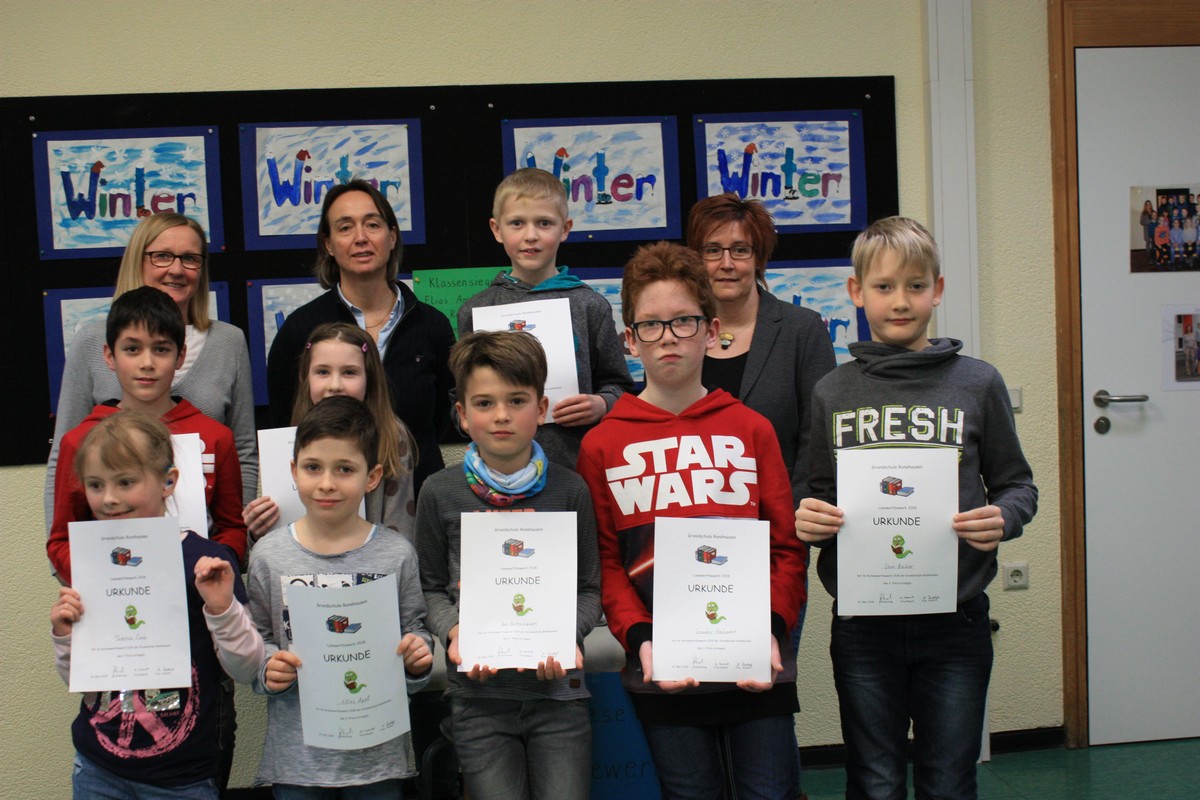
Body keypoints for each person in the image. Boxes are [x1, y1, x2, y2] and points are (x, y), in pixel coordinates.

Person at [795, 216, 1038, 800]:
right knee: (875, 781)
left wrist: (1004, 518)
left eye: (915, 285)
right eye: (883, 286)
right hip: (863, 625)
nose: (900, 301)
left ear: (938, 290)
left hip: (955, 621)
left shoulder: (977, 383)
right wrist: (811, 520)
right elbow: (815, 492)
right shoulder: (833, 391)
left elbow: (1018, 485)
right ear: (856, 292)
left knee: (949, 781)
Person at [576, 242, 807, 800]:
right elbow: (607, 562)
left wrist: (771, 628)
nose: (669, 338)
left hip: (755, 662)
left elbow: (786, 547)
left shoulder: (751, 430)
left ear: (712, 331)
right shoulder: (602, 445)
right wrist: (641, 637)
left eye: (683, 321)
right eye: (651, 325)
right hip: (663, 668)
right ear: (630, 339)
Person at [687, 193, 835, 796]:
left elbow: (816, 437)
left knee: (765, 695)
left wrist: (785, 520)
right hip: (692, 548)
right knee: (700, 692)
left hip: (773, 546)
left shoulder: (800, 329)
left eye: (740, 250)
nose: (726, 263)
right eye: (712, 250)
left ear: (760, 257)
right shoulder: (682, 330)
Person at [416, 330, 601, 800]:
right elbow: (429, 587)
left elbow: (589, 589)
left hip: (558, 695)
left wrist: (565, 634)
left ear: (541, 409)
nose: (501, 415)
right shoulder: (439, 492)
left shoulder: (570, 490)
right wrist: (456, 632)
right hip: (478, 700)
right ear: (462, 415)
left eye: (517, 400)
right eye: (484, 403)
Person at [50, 411, 263, 799]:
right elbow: (81, 681)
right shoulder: (93, 561)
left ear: (168, 481)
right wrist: (65, 636)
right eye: (95, 484)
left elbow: (247, 667)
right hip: (97, 768)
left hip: (183, 778)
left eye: (125, 482)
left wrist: (222, 609)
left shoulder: (208, 562)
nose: (109, 498)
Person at [248, 396, 433, 796]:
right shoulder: (268, 555)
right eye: (313, 467)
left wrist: (418, 657)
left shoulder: (397, 554)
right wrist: (267, 668)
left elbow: (416, 632)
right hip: (297, 761)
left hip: (378, 759)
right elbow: (256, 640)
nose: (327, 483)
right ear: (294, 471)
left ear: (372, 476)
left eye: (345, 469)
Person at [45, 212, 257, 541]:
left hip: (204, 553)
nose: (177, 269)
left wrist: (233, 546)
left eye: (190, 258)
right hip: (114, 548)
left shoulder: (229, 341)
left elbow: (243, 451)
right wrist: (64, 555)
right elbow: (65, 453)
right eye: (162, 256)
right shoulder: (92, 340)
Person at [266, 180, 455, 495]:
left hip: (416, 500)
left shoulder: (432, 326)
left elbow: (439, 421)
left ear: (392, 237)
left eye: (372, 224)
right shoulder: (300, 330)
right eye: (345, 227)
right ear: (328, 244)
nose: (361, 238)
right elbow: (285, 423)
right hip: (329, 501)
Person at [48, 286, 247, 583]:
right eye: (132, 349)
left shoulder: (216, 437)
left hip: (198, 595)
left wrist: (213, 565)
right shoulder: (80, 441)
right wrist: (99, 575)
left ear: (180, 356)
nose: (147, 363)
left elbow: (232, 527)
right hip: (111, 594)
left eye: (161, 349)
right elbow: (61, 540)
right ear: (109, 356)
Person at [457, 167, 632, 469]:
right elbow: (459, 396)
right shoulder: (475, 311)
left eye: (544, 223)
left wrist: (601, 404)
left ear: (565, 228)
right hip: (497, 470)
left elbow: (620, 388)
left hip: (575, 466)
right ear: (497, 230)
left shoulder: (589, 305)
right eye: (517, 223)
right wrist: (470, 417)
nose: (531, 236)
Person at [244, 322, 417, 543]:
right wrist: (257, 532)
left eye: (349, 372)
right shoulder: (290, 438)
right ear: (306, 377)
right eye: (323, 372)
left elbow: (399, 530)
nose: (335, 385)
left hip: (375, 561)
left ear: (370, 378)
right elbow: (274, 542)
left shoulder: (391, 436)